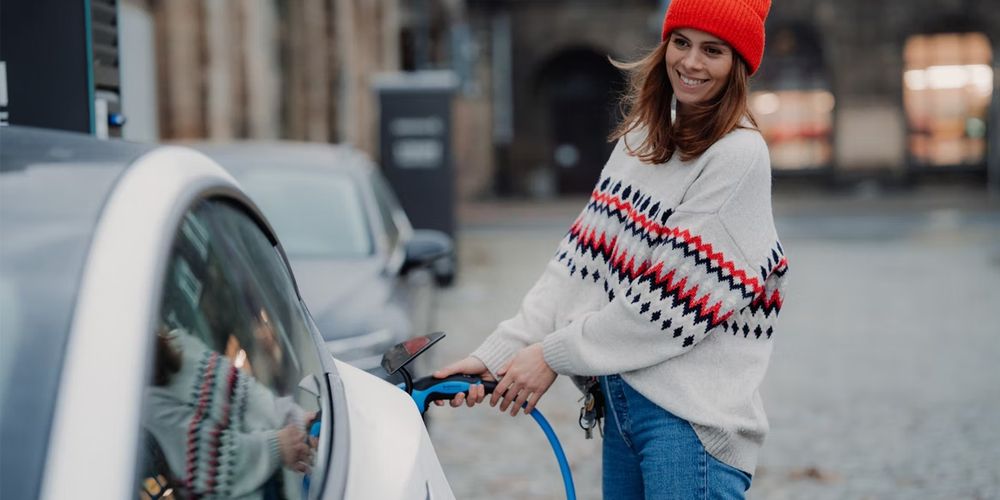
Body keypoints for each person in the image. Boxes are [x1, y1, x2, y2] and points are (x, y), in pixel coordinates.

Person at [433, 0, 788, 497]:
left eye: (713, 51)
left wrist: (552, 356)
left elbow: (667, 304)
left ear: (739, 66)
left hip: (688, 426)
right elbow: (577, 266)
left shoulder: (739, 154)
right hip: (622, 409)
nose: (690, 62)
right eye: (681, 43)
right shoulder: (641, 140)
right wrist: (499, 354)